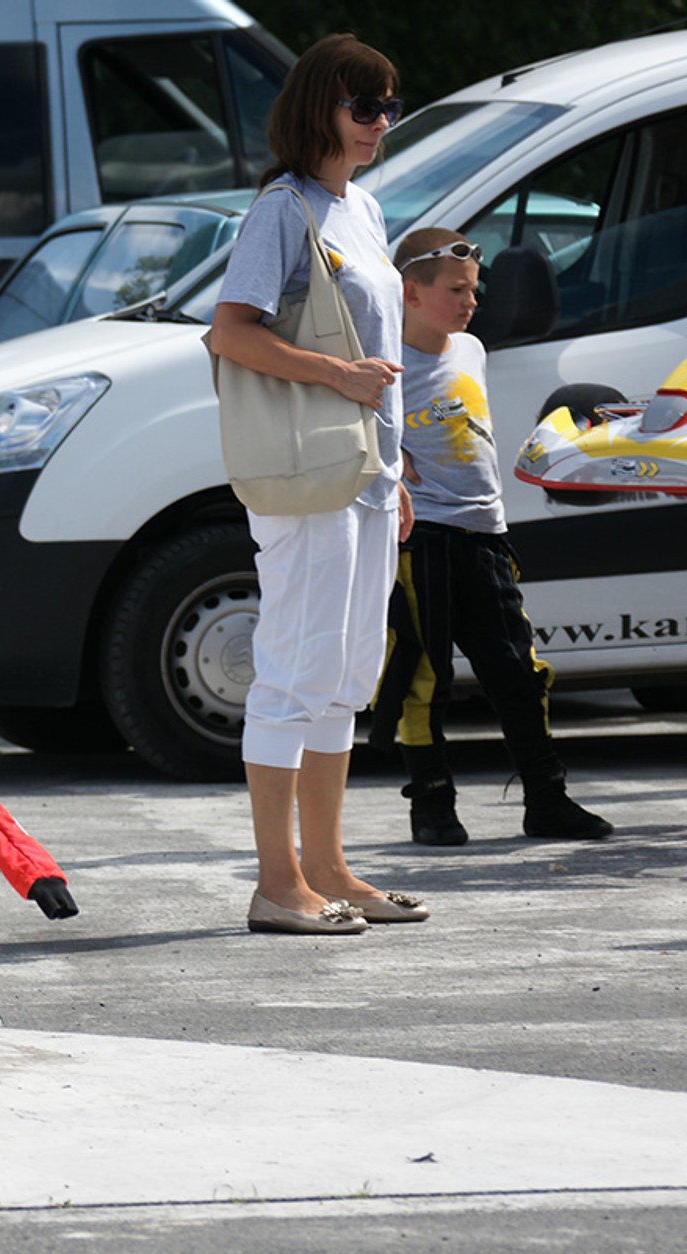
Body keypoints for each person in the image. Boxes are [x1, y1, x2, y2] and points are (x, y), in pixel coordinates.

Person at [206, 34, 427, 935]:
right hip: (307, 477)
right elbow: (229, 331)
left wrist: (397, 464)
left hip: (365, 473)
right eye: (362, 106)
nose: (379, 122)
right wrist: (335, 379)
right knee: (293, 672)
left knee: (344, 676)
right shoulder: (282, 210)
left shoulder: (360, 210)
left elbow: (382, 355)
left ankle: (329, 866)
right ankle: (277, 881)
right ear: (319, 110)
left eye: (388, 106)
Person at [370, 228, 613, 845]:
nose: (470, 302)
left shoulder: (471, 349)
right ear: (410, 292)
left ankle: (546, 798)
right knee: (424, 675)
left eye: (473, 290)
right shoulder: (382, 364)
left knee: (519, 671)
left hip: (485, 535)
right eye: (456, 290)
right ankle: (431, 805)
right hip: (420, 538)